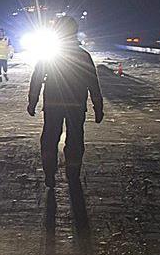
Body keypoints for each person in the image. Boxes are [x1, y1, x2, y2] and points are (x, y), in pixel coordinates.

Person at [26, 16, 104, 189]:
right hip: (76, 105)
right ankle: (73, 173)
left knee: (50, 138)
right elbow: (93, 82)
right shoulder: (83, 56)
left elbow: (37, 78)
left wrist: (32, 101)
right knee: (75, 139)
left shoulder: (49, 55)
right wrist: (98, 107)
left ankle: (49, 173)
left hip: (53, 104)